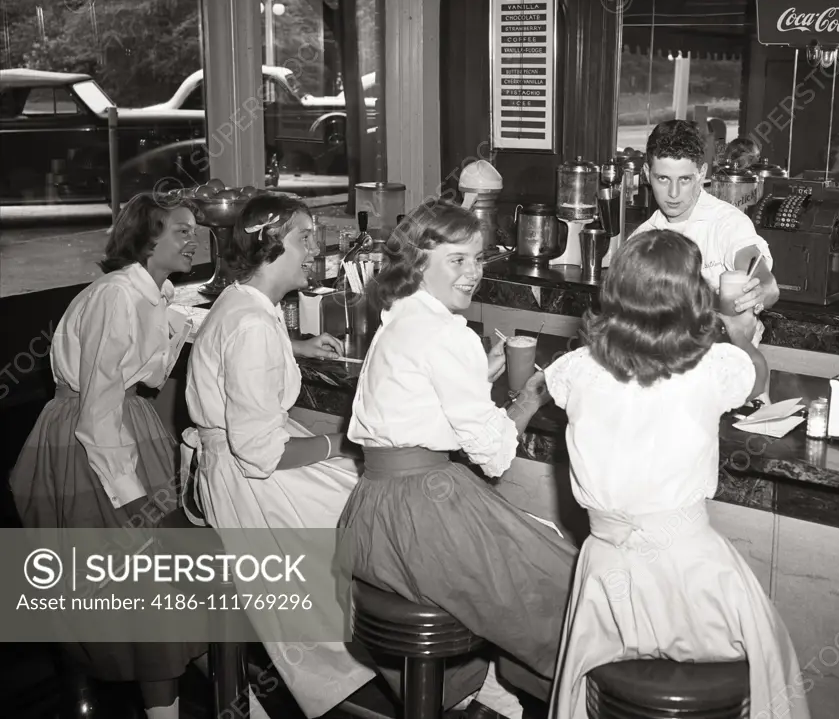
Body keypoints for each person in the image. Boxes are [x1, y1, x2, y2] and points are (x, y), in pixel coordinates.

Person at [544, 230, 809, 719]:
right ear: (692, 298)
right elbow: (757, 376)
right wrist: (738, 330)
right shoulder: (712, 367)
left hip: (606, 585)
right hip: (691, 580)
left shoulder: (575, 370)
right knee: (773, 660)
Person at [339, 201, 577, 719]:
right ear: (419, 262)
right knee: (572, 582)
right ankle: (566, 695)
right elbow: (493, 456)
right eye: (457, 260)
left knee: (539, 551)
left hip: (373, 513)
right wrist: (529, 399)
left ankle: (486, 694)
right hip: (422, 513)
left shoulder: (397, 318)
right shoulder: (449, 333)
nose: (474, 274)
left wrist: (479, 379)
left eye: (478, 259)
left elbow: (420, 404)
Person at [10, 193, 205, 719]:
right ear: (147, 239)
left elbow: (150, 377)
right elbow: (98, 408)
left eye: (194, 230)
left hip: (123, 427)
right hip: (94, 442)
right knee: (144, 591)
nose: (194, 240)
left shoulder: (150, 293)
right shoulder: (116, 296)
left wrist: (180, 319)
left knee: (159, 588)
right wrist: (134, 498)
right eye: (182, 232)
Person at [182, 192, 376, 718]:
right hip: (246, 481)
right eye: (304, 237)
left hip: (248, 458)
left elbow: (236, 339)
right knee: (368, 521)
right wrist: (342, 444)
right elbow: (260, 453)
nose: (315, 247)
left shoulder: (245, 302)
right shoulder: (250, 324)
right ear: (270, 246)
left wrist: (296, 346)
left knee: (363, 500)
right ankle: (384, 660)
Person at [630, 120, 778, 339]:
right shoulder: (642, 238)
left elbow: (761, 276)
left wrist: (762, 290)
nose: (673, 193)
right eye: (663, 179)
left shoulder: (726, 222)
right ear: (646, 173)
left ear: (701, 174)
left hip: (727, 361)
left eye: (685, 180)